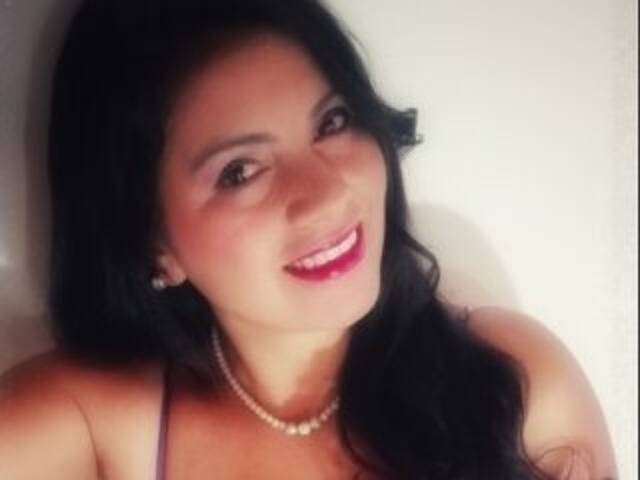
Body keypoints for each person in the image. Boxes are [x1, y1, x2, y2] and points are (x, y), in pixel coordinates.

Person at [0, 0, 616, 478]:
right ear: (152, 242)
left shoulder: (513, 382)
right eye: (240, 172)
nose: (324, 194)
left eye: (333, 122)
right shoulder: (104, 419)